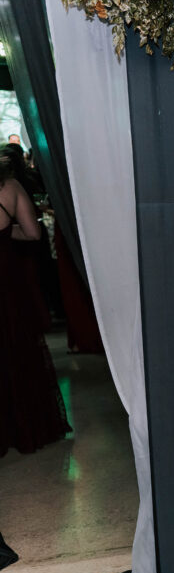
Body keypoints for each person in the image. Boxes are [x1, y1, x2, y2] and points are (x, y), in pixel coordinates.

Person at [0, 155, 70, 457]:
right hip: (7, 284)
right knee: (18, 350)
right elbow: (33, 232)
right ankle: (27, 427)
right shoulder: (11, 187)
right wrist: (6, 233)